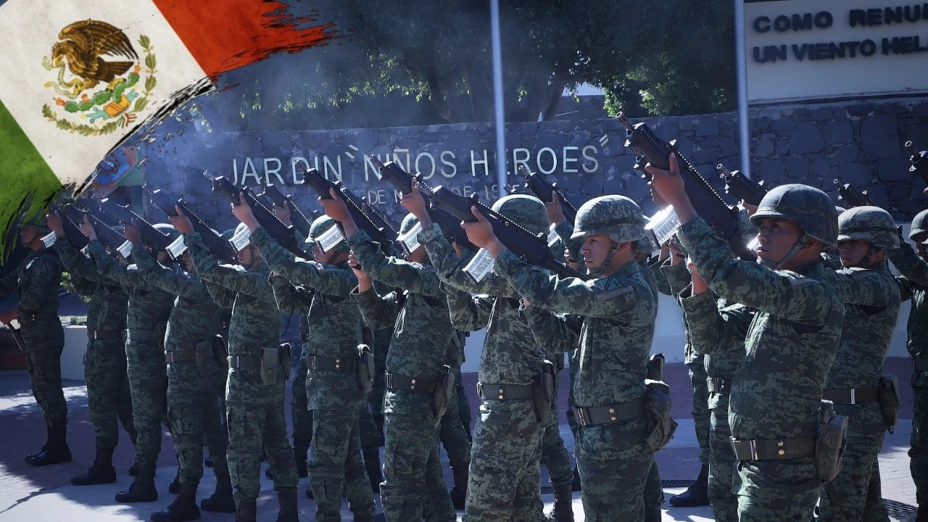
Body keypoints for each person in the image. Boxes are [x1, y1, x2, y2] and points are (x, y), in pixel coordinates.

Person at [650, 157, 844, 521]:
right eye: (762, 226)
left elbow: (731, 275)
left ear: (812, 239)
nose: (763, 236)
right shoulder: (779, 295)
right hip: (756, 464)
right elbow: (712, 339)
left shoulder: (814, 293)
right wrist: (700, 286)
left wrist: (681, 203)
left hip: (783, 470)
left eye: (777, 227)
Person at [464, 194, 658, 520]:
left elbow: (554, 293)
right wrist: (530, 300)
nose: (583, 249)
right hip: (598, 434)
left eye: (593, 241)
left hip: (618, 437)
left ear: (623, 242)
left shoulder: (627, 291)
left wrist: (496, 247)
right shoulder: (605, 289)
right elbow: (557, 336)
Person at [405, 189, 557, 522]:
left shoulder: (528, 276)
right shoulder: (514, 280)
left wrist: (425, 219)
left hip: (510, 411)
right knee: (524, 510)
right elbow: (467, 318)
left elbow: (458, 277)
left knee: (484, 511)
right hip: (513, 407)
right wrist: (457, 262)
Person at [238, 196, 376, 522]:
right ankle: (365, 515)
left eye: (318, 244)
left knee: (324, 463)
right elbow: (288, 302)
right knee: (349, 460)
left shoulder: (342, 278)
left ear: (337, 245)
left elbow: (294, 268)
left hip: (336, 386)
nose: (313, 248)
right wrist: (276, 272)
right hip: (330, 386)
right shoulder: (328, 278)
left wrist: (258, 231)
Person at [327, 200, 457, 520]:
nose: (402, 251)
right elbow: (379, 318)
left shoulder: (434, 278)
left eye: (406, 244)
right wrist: (365, 283)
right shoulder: (415, 287)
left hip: (415, 397)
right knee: (428, 482)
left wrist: (347, 220)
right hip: (408, 398)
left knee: (400, 488)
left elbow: (384, 266)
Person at [176, 207, 299, 522]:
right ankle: (289, 512)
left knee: (243, 450)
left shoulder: (256, 280)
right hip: (267, 376)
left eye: (242, 248)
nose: (237, 253)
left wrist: (191, 234)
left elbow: (210, 271)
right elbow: (221, 294)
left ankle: (247, 515)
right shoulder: (266, 279)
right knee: (277, 445)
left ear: (257, 250)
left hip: (247, 381)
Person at [129, 223, 237, 521]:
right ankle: (226, 491)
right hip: (203, 368)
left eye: (189, 253)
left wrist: (136, 244)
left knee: (187, 435)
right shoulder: (214, 283)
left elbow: (154, 275)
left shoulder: (198, 285)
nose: (184, 258)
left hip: (187, 373)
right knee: (213, 434)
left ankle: (187, 500)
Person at [85, 217, 175, 503]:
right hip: (156, 357)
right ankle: (184, 474)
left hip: (146, 361)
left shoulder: (152, 274)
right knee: (168, 418)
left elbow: (110, 269)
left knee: (148, 421)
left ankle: (145, 483)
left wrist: (93, 239)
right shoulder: (169, 275)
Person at [47, 211, 136, 484]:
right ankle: (145, 458)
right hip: (113, 345)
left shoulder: (118, 270)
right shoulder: (121, 269)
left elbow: (82, 268)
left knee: (101, 406)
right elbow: (83, 280)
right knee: (125, 405)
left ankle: (103, 465)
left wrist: (61, 235)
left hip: (106, 347)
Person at [0, 215, 69, 467]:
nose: (22, 232)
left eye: (27, 228)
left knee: (49, 389)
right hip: (32, 333)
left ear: (41, 232)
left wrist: (10, 314)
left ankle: (59, 447)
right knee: (40, 389)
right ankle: (53, 444)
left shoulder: (48, 261)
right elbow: (8, 283)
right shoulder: (31, 260)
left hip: (44, 333)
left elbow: (35, 297)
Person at [888, 208, 928, 522]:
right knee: (921, 453)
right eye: (917, 242)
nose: (921, 247)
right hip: (922, 378)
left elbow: (913, 269)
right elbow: (886, 290)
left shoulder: (921, 273)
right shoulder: (919, 277)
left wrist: (891, 243)